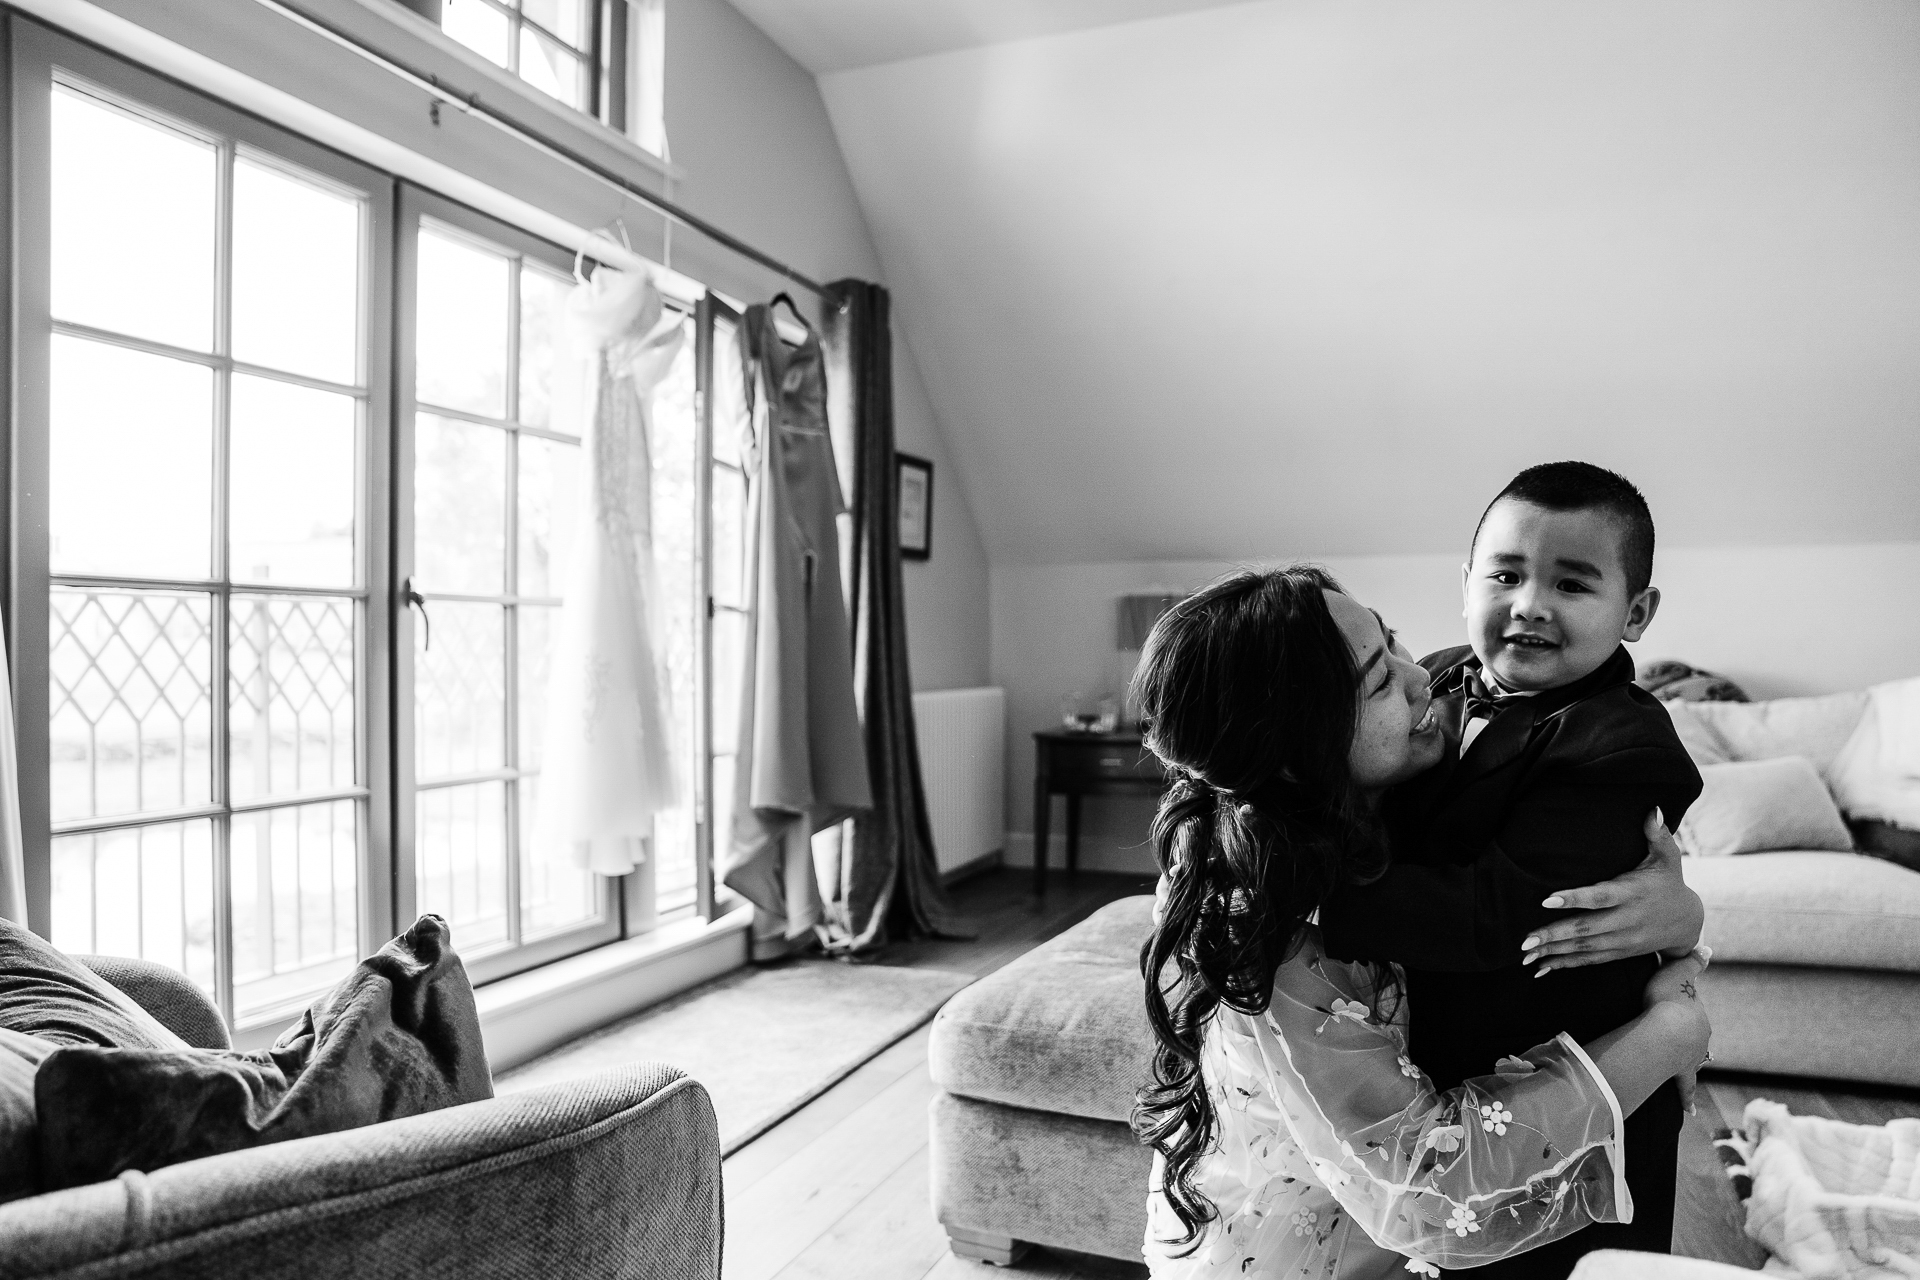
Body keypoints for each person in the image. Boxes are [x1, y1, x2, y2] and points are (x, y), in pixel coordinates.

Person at [1135, 566, 1710, 1279]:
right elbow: (1428, 1193)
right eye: (1378, 682)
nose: (1421, 680)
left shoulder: (1386, 809)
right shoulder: (1274, 932)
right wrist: (1667, 1037)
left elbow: (1536, 895)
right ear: (1290, 752)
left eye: (1394, 643)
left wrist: (1683, 923)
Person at [1320, 462, 1702, 1276]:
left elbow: (1491, 916)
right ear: (1465, 584)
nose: (1530, 604)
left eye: (1572, 584)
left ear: (1635, 613)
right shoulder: (1441, 672)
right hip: (1438, 1069)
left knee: (1572, 1264)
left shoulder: (1622, 747)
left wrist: (1317, 894)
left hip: (1572, 1082)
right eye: (1506, 574)